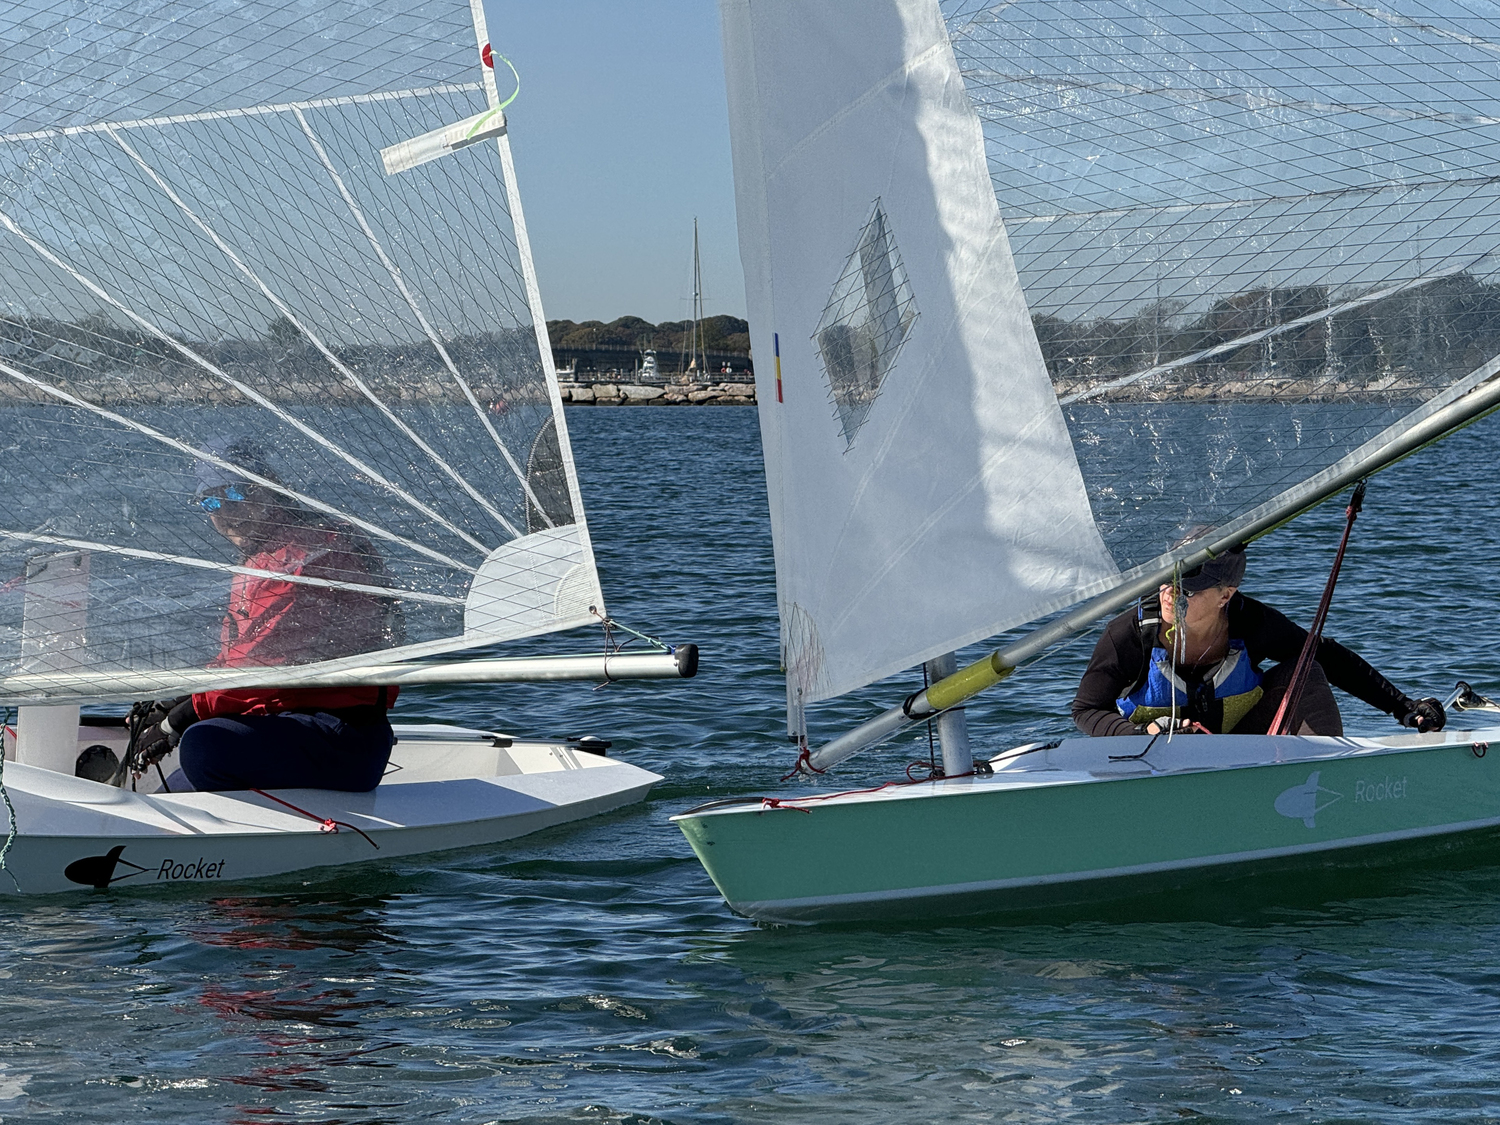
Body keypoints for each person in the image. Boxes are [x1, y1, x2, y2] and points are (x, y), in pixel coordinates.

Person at [133, 440, 402, 791]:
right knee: (175, 788)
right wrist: (170, 696)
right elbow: (235, 661)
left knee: (202, 744)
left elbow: (258, 669)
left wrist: (175, 721)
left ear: (267, 487)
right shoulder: (264, 555)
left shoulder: (304, 557)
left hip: (342, 736)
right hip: (289, 723)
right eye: (211, 501)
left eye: (235, 493)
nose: (226, 511)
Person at [1071, 544, 1446, 737]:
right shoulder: (1129, 634)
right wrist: (1140, 733)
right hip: (1151, 757)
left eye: (1189, 588)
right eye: (1168, 580)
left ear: (1225, 595)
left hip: (1242, 749)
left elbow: (1329, 657)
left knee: (1307, 670)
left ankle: (1319, 785)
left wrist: (1403, 707)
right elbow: (1085, 711)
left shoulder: (1252, 622)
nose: (1171, 592)